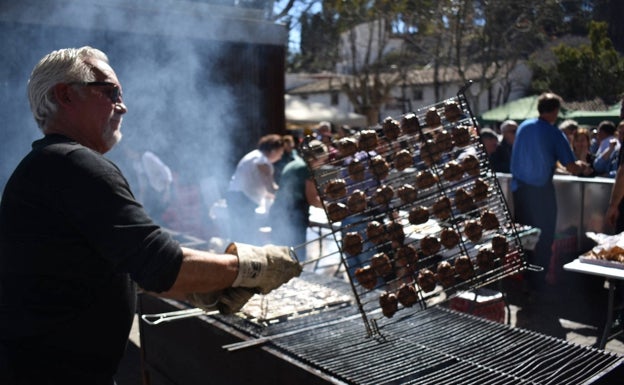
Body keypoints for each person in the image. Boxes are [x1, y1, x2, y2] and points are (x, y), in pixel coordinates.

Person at [0, 47, 301, 384]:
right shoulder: (75, 164)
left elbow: (96, 266)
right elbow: (162, 264)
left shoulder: (46, 164)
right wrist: (252, 267)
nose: (123, 105)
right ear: (66, 94)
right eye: (110, 91)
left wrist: (197, 285)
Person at [510, 92, 586, 291]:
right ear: (554, 111)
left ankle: (524, 279)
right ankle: (538, 283)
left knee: (524, 237)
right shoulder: (553, 132)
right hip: (540, 193)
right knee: (544, 238)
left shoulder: (523, 127)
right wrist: (583, 167)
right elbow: (571, 166)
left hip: (519, 191)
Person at [269, 139, 326, 260]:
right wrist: (329, 208)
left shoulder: (294, 163)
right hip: (293, 216)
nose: (323, 163)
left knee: (279, 254)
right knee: (296, 257)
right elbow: (312, 199)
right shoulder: (306, 170)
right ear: (316, 158)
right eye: (323, 160)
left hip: (278, 211)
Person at [226, 134, 284, 244]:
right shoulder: (262, 160)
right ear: (273, 150)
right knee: (244, 234)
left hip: (237, 196)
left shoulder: (254, 155)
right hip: (242, 199)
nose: (280, 157)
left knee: (238, 233)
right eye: (280, 152)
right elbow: (270, 187)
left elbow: (261, 187)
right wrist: (283, 193)